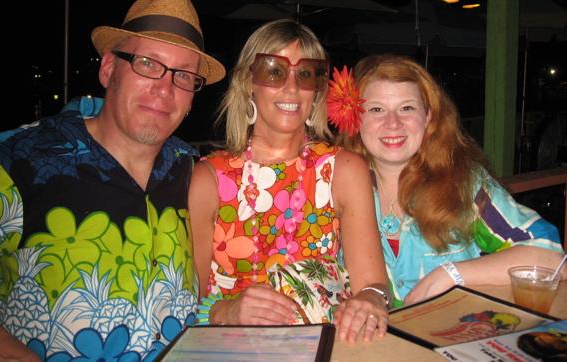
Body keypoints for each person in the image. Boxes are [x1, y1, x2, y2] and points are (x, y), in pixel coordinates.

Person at [0, 0, 225, 361]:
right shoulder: (15, 161)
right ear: (108, 69)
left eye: (183, 75)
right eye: (148, 63)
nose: (164, 88)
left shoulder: (192, 171)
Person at [188, 19, 389, 344]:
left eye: (306, 74)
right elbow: (186, 302)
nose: (292, 87)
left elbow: (373, 285)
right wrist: (226, 311)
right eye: (274, 71)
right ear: (248, 82)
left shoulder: (343, 170)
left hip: (323, 345)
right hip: (233, 349)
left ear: (317, 91)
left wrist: (371, 300)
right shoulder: (208, 179)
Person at [329, 53, 565, 308]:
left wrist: (451, 274)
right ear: (354, 119)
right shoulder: (331, 186)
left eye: (407, 108)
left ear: (428, 116)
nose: (393, 123)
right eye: (376, 109)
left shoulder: (464, 184)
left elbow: (551, 256)